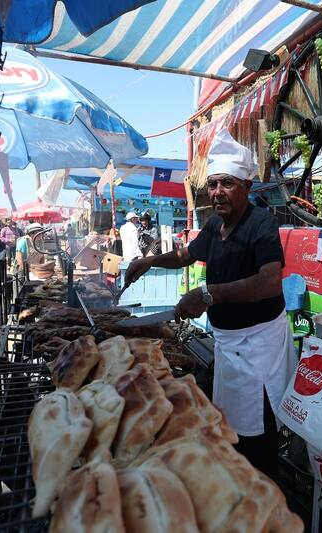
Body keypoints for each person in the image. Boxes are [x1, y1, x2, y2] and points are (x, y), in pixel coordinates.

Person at [125, 128, 294, 479]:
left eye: (227, 183)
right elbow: (188, 254)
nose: (217, 192)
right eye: (213, 184)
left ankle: (266, 502)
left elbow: (270, 280)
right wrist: (150, 260)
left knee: (260, 434)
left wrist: (208, 294)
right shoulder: (215, 225)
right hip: (229, 345)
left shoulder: (260, 223)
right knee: (232, 429)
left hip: (259, 346)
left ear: (247, 186)